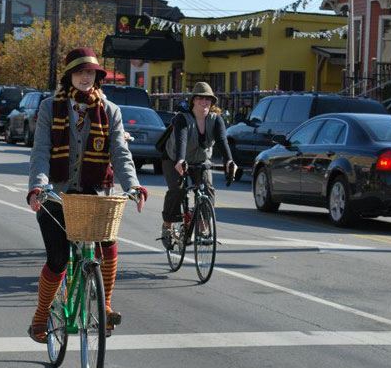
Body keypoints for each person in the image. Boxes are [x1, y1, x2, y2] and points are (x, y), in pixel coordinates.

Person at [26, 48, 147, 343]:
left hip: (96, 191)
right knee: (58, 259)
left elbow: (120, 153)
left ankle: (104, 304)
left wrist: (133, 185)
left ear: (97, 77)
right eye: (80, 72)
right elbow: (41, 151)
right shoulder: (49, 108)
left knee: (107, 243)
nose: (85, 77)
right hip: (56, 193)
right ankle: (41, 317)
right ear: (70, 76)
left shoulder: (110, 110)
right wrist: (38, 187)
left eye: (90, 72)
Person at [160, 82, 236, 246]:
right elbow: (182, 139)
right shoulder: (182, 118)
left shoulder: (216, 120)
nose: (204, 101)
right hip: (174, 158)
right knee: (177, 190)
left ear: (212, 102)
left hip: (201, 160)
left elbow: (223, 142)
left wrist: (229, 161)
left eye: (208, 98)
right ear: (193, 100)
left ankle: (204, 226)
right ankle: (167, 225)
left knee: (207, 189)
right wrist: (180, 160)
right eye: (200, 98)